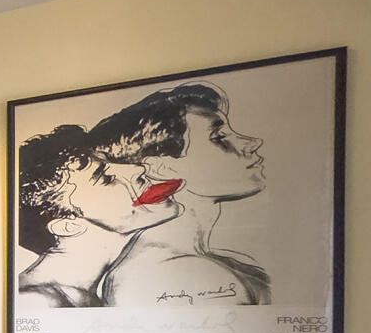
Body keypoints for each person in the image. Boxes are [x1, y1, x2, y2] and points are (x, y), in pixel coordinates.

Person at [92, 83, 270, 305]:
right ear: (163, 168)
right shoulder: (172, 272)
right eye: (219, 137)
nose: (252, 143)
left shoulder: (221, 263)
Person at [16, 123, 183, 307]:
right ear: (69, 225)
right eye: (105, 179)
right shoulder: (36, 300)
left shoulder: (83, 294)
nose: (138, 169)